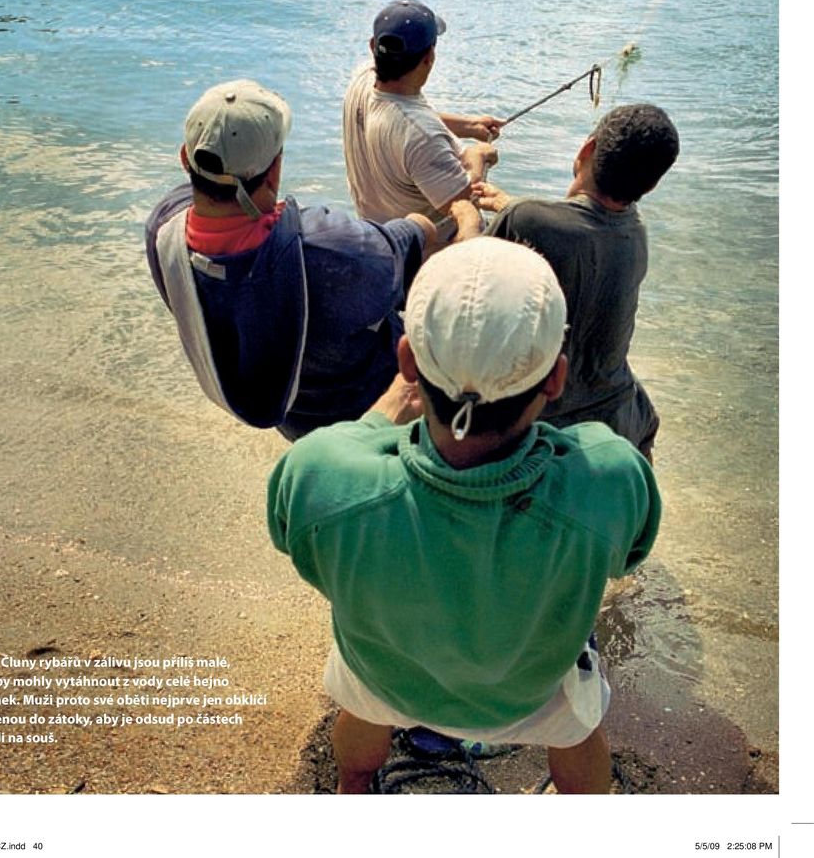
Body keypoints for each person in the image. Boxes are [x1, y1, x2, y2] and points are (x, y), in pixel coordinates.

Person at [268, 237, 660, 793]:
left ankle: (354, 786)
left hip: (388, 679)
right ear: (556, 377)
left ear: (406, 360)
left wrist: (378, 423)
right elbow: (631, 553)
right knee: (579, 729)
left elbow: (299, 547)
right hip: (530, 691)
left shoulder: (321, 472)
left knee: (360, 708)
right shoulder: (607, 474)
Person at [145, 79, 480, 440]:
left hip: (293, 417)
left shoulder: (164, 231)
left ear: (185, 157)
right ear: (274, 171)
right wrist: (447, 225)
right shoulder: (327, 250)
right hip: (374, 416)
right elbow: (398, 250)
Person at [481, 103, 680, 458]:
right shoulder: (635, 231)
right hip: (622, 418)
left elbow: (463, 281)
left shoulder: (526, 221)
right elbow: (581, 232)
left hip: (547, 429)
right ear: (649, 186)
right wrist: (512, 205)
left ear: (586, 150)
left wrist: (469, 216)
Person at [342, 0, 502, 228]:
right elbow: (463, 204)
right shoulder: (422, 137)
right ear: (429, 57)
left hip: (377, 235)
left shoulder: (362, 78)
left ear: (372, 46)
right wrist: (479, 156)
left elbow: (403, 118)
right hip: (428, 253)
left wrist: (469, 125)